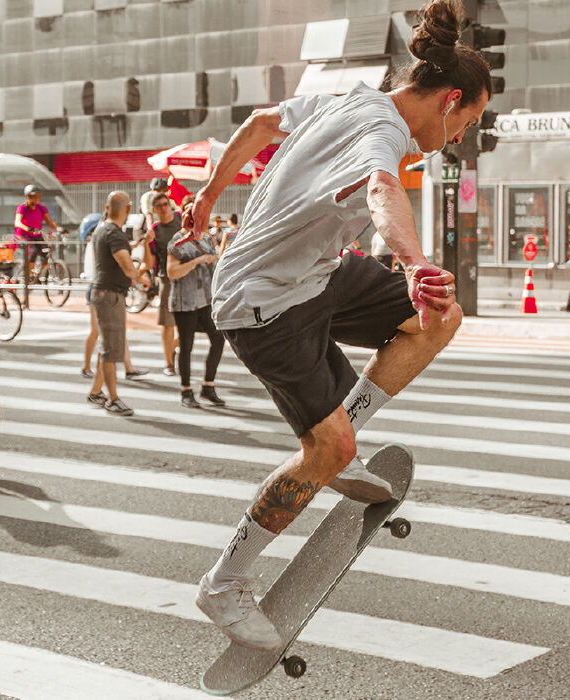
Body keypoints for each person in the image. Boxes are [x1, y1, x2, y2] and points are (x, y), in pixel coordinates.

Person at [191, 0, 486, 650]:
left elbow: (262, 122)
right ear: (451, 99)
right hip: (261, 304)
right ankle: (223, 583)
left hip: (316, 277)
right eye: (470, 121)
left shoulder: (343, 97)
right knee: (329, 453)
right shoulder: (381, 132)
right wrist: (412, 261)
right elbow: (382, 188)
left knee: (437, 317)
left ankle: (340, 432)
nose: (462, 136)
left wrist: (213, 191)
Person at [87, 192, 151, 416]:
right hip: (110, 294)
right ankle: (112, 399)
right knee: (110, 349)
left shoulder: (102, 229)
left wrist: (140, 243)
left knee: (108, 346)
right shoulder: (115, 233)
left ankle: (96, 391)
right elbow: (125, 263)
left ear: (107, 207)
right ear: (128, 208)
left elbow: (121, 249)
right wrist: (141, 278)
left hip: (105, 292)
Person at [166, 203, 226, 408]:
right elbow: (172, 273)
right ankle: (186, 390)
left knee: (218, 339)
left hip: (205, 301)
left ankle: (208, 386)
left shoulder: (207, 238)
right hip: (185, 302)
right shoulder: (178, 242)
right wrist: (198, 260)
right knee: (186, 346)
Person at [81, 226, 150, 381]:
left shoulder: (111, 243)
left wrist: (140, 243)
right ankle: (86, 367)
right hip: (99, 289)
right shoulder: (101, 243)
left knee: (120, 331)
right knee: (96, 332)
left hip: (110, 290)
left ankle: (129, 368)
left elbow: (124, 249)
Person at [145, 192, 181, 376]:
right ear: (154, 210)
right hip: (166, 279)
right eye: (159, 205)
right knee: (168, 324)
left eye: (166, 203)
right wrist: (146, 243)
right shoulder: (155, 230)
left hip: (187, 277)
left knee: (189, 324)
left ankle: (173, 348)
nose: (164, 207)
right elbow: (150, 263)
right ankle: (168, 363)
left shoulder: (181, 219)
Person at [14, 184, 57, 270]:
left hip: (37, 236)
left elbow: (49, 222)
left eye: (38, 196)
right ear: (27, 196)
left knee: (47, 253)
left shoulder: (41, 208)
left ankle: (37, 276)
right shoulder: (22, 208)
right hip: (23, 236)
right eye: (33, 196)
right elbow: (17, 222)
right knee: (33, 251)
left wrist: (58, 229)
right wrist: (27, 228)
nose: (36, 199)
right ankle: (28, 277)